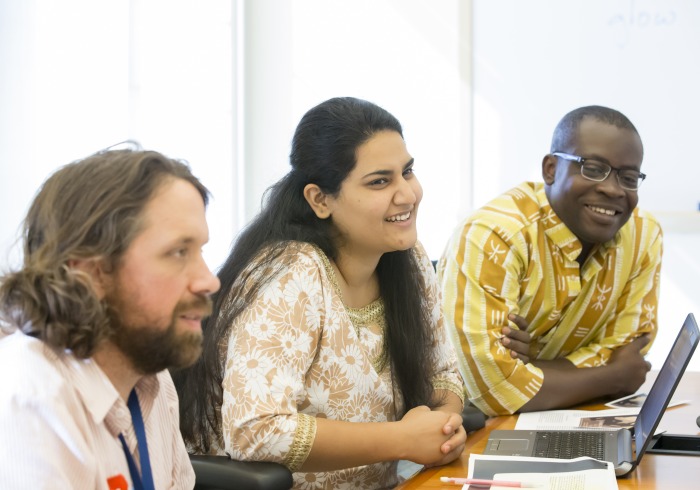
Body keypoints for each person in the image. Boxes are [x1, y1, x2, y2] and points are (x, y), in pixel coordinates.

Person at [174, 97, 466, 489]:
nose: (408, 194)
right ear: (320, 199)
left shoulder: (407, 257)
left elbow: (444, 374)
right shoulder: (289, 272)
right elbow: (256, 430)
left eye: (407, 172)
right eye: (380, 181)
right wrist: (403, 439)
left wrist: (443, 426)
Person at [0, 146, 220, 488]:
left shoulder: (153, 379)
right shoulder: (29, 397)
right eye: (178, 252)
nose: (210, 281)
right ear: (90, 274)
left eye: (200, 251)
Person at [438, 105, 662, 416]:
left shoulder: (643, 235)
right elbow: (495, 392)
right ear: (551, 169)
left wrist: (533, 367)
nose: (613, 189)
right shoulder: (495, 235)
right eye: (593, 168)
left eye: (629, 177)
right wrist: (614, 377)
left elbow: (628, 351)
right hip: (462, 427)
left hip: (566, 416)